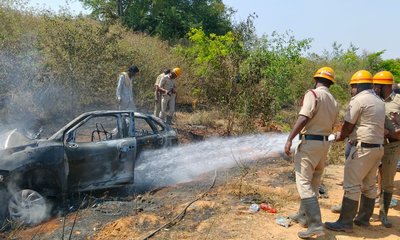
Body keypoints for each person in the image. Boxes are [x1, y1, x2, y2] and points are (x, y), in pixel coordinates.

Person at [325, 70, 385, 232]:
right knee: (369, 185)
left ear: (358, 86)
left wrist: (339, 136)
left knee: (351, 186)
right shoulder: (379, 101)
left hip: (362, 149)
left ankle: (345, 223)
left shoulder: (358, 101)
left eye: (352, 87)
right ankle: (363, 219)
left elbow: (348, 126)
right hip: (377, 148)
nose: (351, 90)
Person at [285, 67, 339, 239]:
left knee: (303, 182)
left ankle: (315, 225)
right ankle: (303, 215)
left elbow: (304, 117)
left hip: (309, 144)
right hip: (324, 145)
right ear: (331, 83)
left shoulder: (313, 94)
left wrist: (290, 138)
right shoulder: (333, 100)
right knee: (314, 181)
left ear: (316, 80)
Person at [373, 71, 400, 228]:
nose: (374, 88)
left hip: (391, 145)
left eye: (377, 85)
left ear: (386, 86)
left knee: (388, 182)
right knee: (368, 179)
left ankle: (383, 215)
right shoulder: (373, 100)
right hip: (373, 145)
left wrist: (388, 133)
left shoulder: (398, 102)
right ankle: (365, 212)